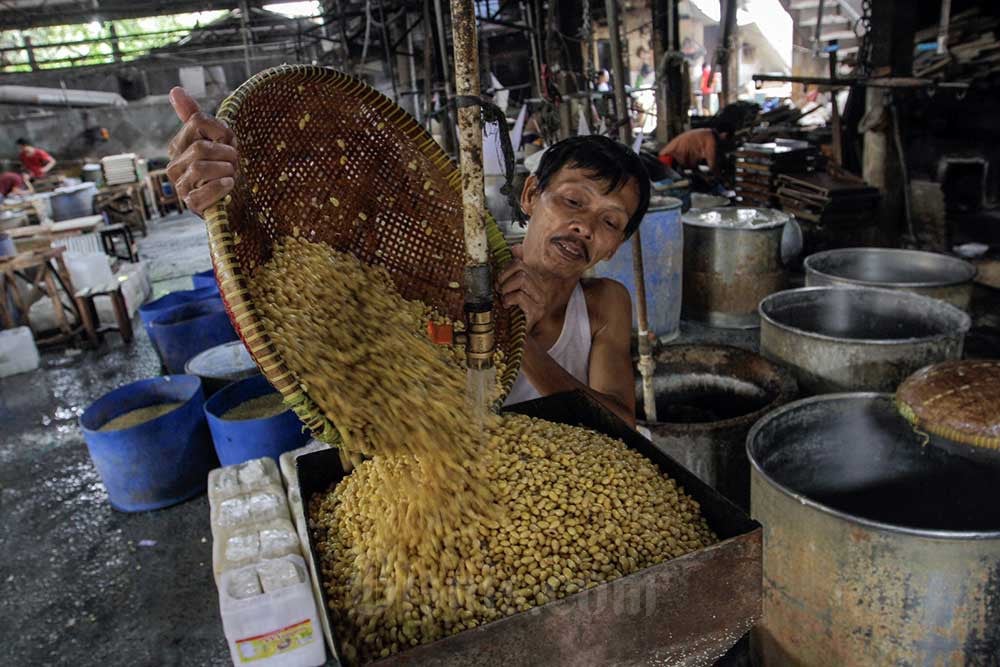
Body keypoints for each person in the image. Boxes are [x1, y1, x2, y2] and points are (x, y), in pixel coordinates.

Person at [165, 88, 650, 426]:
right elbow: (321, 276)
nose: (585, 226)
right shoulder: (459, 269)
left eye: (611, 221)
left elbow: (623, 424)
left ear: (618, 243)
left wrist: (520, 344)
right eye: (572, 200)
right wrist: (227, 201)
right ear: (529, 196)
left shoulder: (606, 302)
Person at [657, 123, 732, 180]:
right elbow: (712, 162)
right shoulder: (711, 139)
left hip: (671, 158)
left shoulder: (707, 133)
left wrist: (698, 172)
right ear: (724, 134)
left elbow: (694, 152)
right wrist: (718, 177)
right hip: (668, 159)